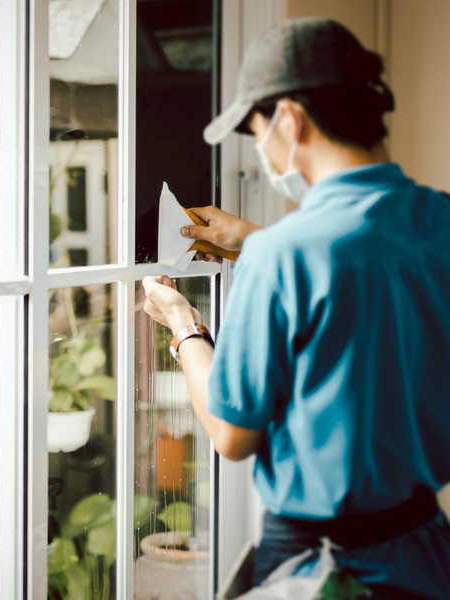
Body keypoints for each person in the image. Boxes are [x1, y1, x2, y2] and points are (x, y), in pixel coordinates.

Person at [142, 17, 450, 598]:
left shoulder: (280, 256)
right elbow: (371, 268)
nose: (261, 149)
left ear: (289, 118)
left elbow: (234, 436)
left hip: (321, 564)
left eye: (257, 131)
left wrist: (183, 327)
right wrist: (252, 241)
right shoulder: (440, 221)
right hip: (427, 544)